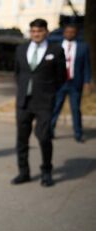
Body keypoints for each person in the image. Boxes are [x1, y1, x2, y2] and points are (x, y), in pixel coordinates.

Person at [13, 19, 65, 187]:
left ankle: (46, 172)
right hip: (23, 102)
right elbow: (17, 73)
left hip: (44, 102)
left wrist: (49, 93)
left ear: (46, 32)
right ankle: (23, 172)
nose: (36, 34)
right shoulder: (21, 49)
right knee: (22, 139)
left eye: (40, 31)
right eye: (33, 31)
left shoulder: (56, 50)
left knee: (44, 137)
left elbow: (61, 77)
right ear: (30, 32)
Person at [51, 24, 91, 143]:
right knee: (56, 107)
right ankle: (50, 131)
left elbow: (86, 66)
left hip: (75, 82)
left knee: (75, 109)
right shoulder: (56, 47)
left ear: (76, 33)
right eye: (67, 32)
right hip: (60, 83)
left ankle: (78, 133)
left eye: (72, 32)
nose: (69, 34)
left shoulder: (83, 47)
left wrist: (87, 81)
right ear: (64, 33)